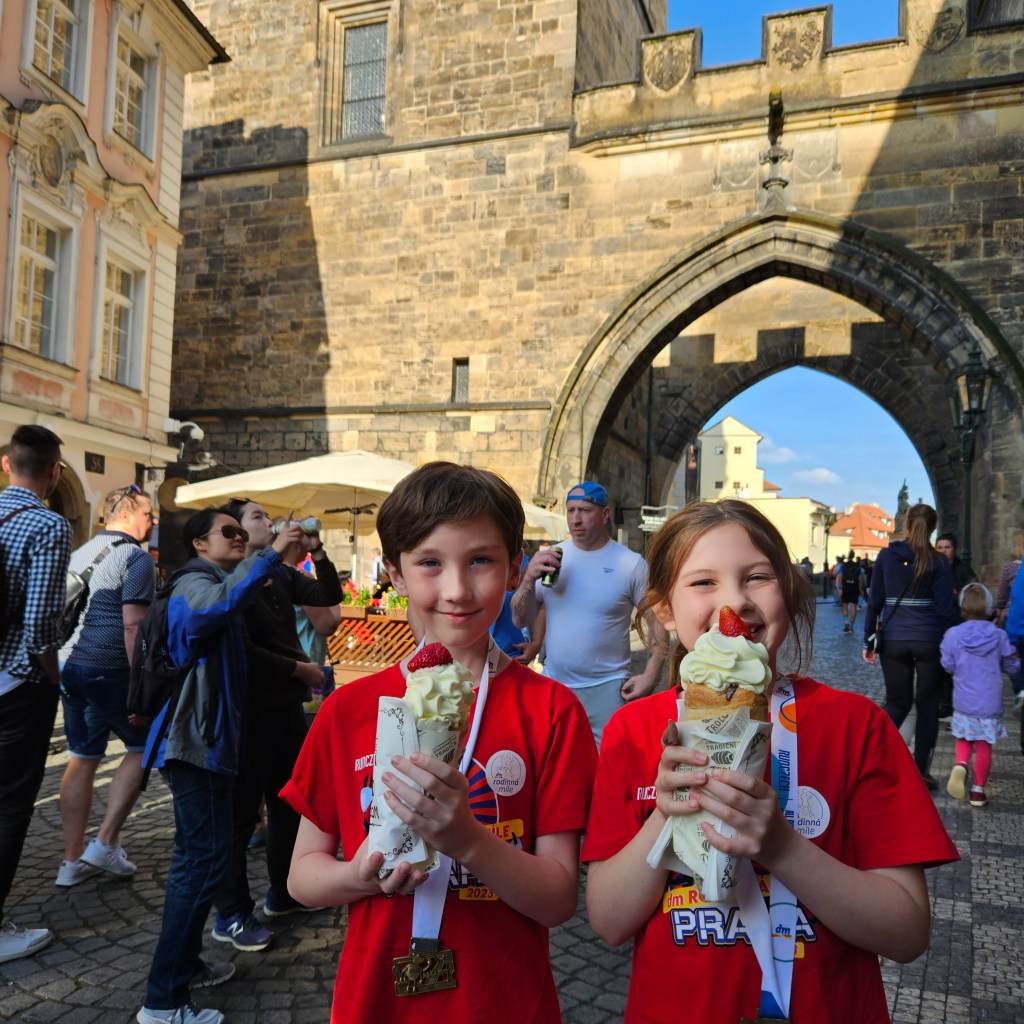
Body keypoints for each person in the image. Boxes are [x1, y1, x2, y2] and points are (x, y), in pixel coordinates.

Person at [583, 498, 959, 1023]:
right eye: (703, 582)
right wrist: (664, 818)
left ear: (789, 590)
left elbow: (907, 932)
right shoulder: (633, 731)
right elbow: (608, 921)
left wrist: (781, 847)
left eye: (757, 577)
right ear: (664, 609)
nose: (735, 603)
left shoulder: (856, 726)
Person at [282, 462, 597, 1024]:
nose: (456, 590)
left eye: (481, 560)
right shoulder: (348, 711)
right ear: (395, 573)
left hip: (504, 1004)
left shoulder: (552, 711)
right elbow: (302, 876)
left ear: (514, 569)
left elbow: (557, 900)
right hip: (375, 1003)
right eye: (430, 562)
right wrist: (355, 877)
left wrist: (468, 840)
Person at [137, 509, 305, 1024]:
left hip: (204, 744)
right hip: (194, 746)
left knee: (200, 860)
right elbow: (212, 610)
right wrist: (269, 554)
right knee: (200, 864)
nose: (239, 537)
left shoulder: (212, 581)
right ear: (198, 543)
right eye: (228, 532)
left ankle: (185, 968)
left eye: (241, 530)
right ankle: (164, 1000)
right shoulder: (195, 584)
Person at [209, 500, 342, 951]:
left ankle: (284, 894)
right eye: (257, 517)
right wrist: (299, 669)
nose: (268, 522)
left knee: (289, 803)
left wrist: (318, 552)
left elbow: (327, 595)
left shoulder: (279, 575)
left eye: (267, 517)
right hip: (248, 711)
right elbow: (245, 652)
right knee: (241, 815)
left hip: (286, 707)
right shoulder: (232, 581)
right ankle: (231, 914)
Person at [55, 484, 157, 887]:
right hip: (110, 665)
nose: (153, 521)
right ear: (126, 515)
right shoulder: (136, 557)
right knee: (143, 745)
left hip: (69, 664)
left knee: (82, 756)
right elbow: (134, 625)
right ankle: (105, 842)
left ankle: (71, 861)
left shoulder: (80, 551)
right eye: (148, 514)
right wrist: (142, 685)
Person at [511, 481, 665, 744]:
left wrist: (651, 674)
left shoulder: (630, 564)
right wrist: (527, 580)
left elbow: (658, 621)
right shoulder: (552, 558)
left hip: (608, 688)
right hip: (555, 685)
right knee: (554, 763)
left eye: (584, 510)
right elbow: (519, 619)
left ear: (605, 514)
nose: (576, 519)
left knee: (606, 764)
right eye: (571, 510)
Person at [0, 425, 71, 965]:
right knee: (9, 805)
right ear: (54, 471)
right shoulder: (47, 524)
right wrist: (51, 676)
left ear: (6, 464)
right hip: (13, 686)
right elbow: (42, 623)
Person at [862, 503, 958, 789]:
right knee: (927, 707)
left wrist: (869, 639)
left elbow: (874, 601)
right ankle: (921, 772)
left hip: (894, 639)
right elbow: (945, 610)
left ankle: (870, 757)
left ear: (906, 524)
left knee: (897, 702)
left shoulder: (886, 556)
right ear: (933, 527)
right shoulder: (939, 562)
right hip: (929, 640)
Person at [941, 583, 1018, 808]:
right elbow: (1010, 665)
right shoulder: (999, 635)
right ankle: (977, 791)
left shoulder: (953, 634)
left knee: (964, 739)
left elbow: (947, 665)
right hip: (989, 702)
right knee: (984, 745)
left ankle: (961, 765)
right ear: (987, 606)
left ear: (962, 605)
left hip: (964, 700)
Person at [992, 534, 1024, 716]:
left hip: (1014, 621)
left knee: (1012, 661)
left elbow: (1003, 598)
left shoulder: (1011, 568)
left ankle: (1020, 690)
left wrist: (993, 612)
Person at [838, 551, 863, 633]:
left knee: (844, 605)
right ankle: (851, 626)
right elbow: (860, 579)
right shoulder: (857, 566)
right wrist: (860, 589)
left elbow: (840, 577)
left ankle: (846, 622)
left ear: (848, 556)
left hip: (845, 587)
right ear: (853, 556)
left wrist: (840, 588)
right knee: (853, 606)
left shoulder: (843, 565)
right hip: (854, 588)